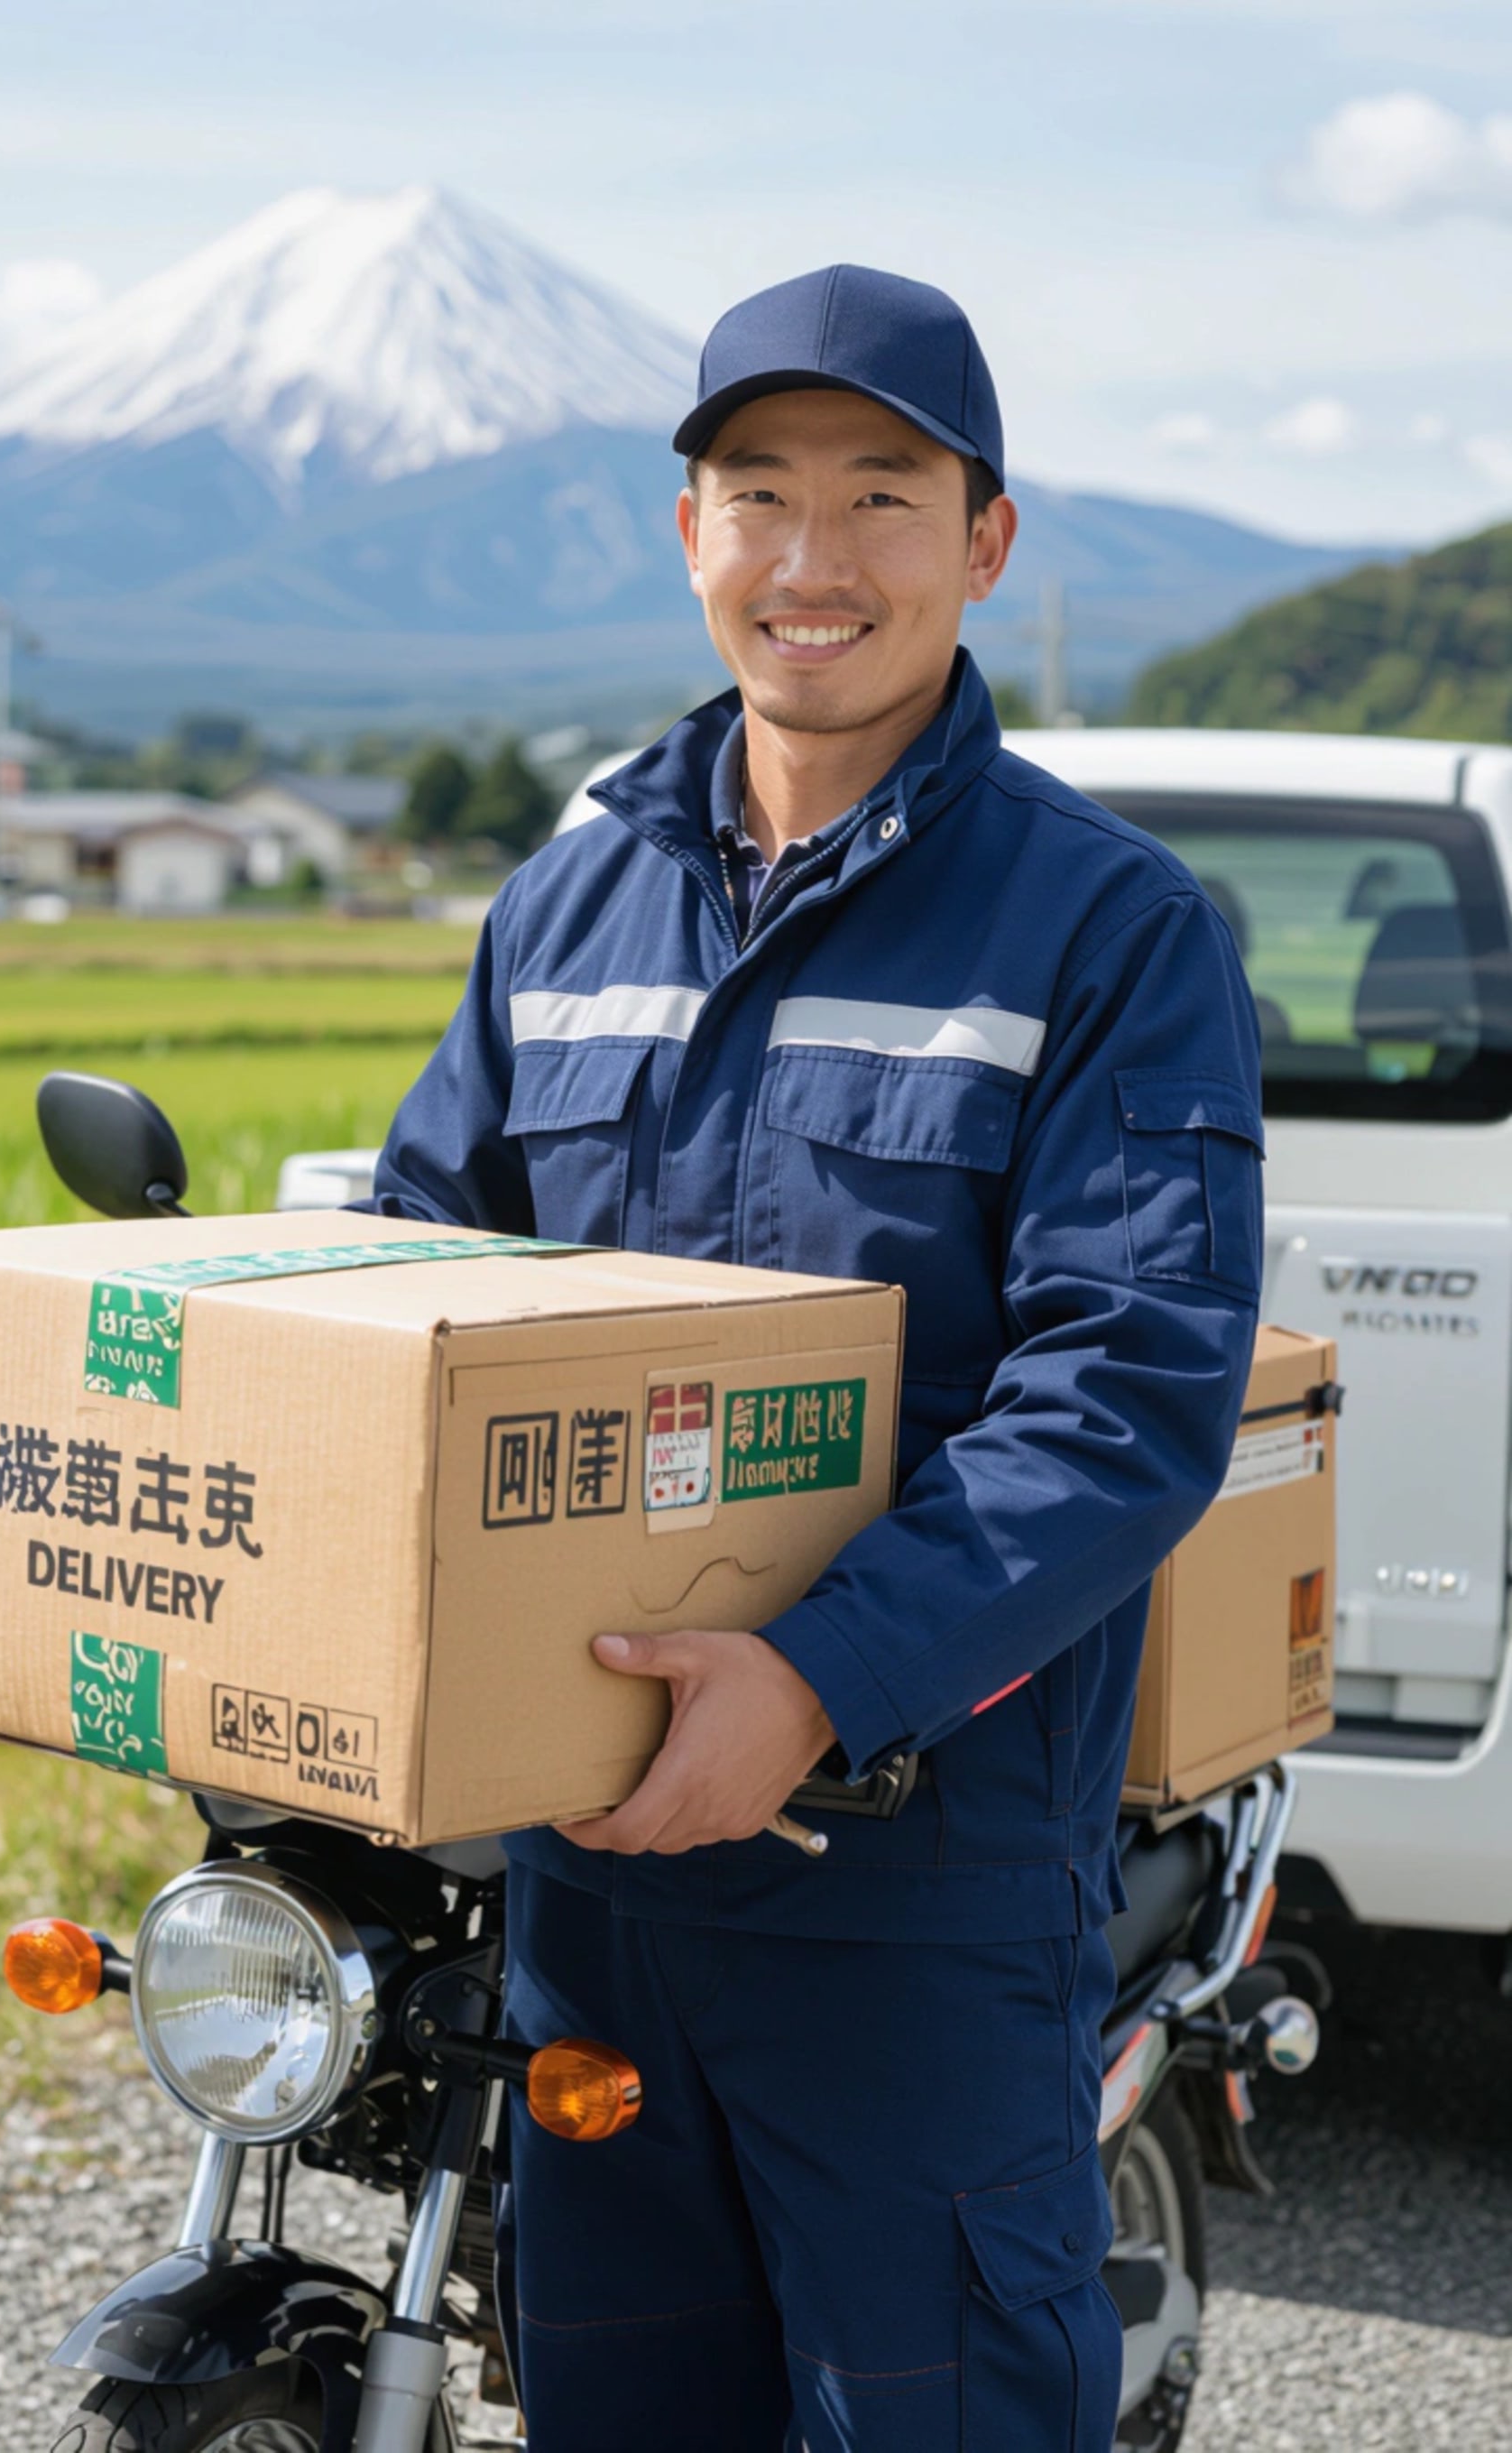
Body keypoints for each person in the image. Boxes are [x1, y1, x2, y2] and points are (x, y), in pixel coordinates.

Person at [360, 264, 1263, 2451]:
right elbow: (419, 1281)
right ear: (689, 538)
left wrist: (818, 1675)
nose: (812, 558)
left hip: (912, 1871)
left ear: (984, 542)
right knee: (619, 2404)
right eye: (756, 493)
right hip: (588, 1868)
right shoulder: (561, 913)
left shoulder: (1107, 927)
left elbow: (1122, 1391)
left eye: (879, 493)